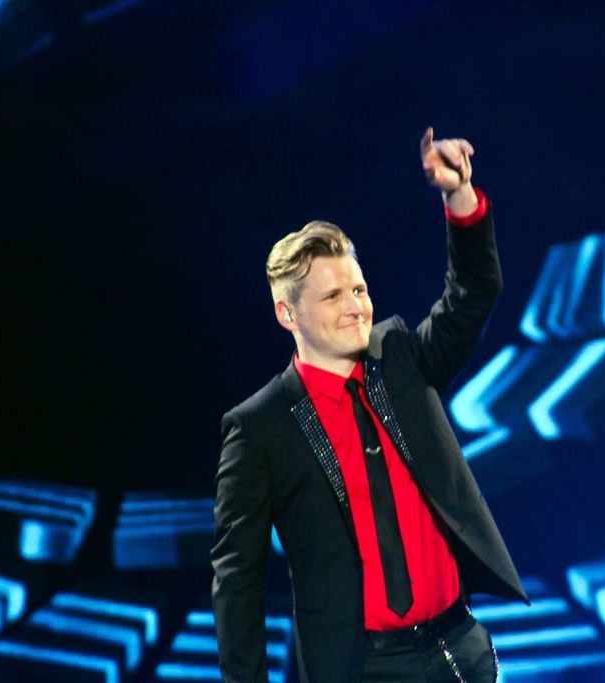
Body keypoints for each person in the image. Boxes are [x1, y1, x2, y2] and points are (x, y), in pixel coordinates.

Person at [211, 128, 527, 683]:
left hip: (460, 648)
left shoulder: (402, 355)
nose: (355, 306)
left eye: (358, 290)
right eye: (333, 296)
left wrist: (459, 195)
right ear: (288, 314)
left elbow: (474, 293)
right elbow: (238, 583)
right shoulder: (259, 428)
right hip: (365, 669)